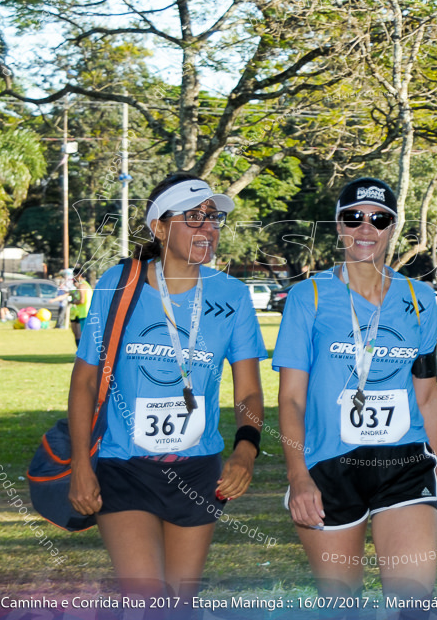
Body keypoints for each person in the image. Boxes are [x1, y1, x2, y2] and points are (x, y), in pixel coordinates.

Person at [67, 172, 266, 608]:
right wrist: (81, 464)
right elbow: (84, 380)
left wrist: (246, 450)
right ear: (159, 227)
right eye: (192, 217)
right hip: (124, 465)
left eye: (212, 219)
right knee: (147, 600)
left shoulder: (232, 295)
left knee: (180, 604)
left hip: (199, 471)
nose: (207, 228)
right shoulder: (119, 284)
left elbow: (249, 391)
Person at [274, 177, 437, 605]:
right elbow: (291, 399)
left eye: (379, 220)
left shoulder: (420, 300)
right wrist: (298, 478)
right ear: (338, 226)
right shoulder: (309, 297)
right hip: (329, 468)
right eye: (354, 218)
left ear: (393, 228)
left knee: (412, 602)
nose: (366, 229)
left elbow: (428, 397)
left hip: (405, 464)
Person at [69, 266, 93, 346]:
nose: (73, 277)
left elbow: (82, 301)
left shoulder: (82, 286)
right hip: (82, 313)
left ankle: (81, 354)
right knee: (80, 335)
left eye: (74, 275)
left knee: (81, 336)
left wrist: (73, 301)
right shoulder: (85, 285)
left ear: (79, 275)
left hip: (84, 313)